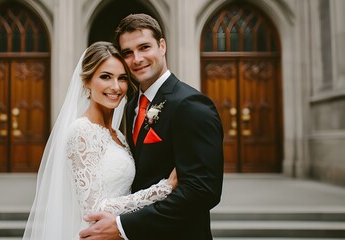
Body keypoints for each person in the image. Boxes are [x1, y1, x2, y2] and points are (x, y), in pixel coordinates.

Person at [79, 14, 224, 240]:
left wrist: (124, 226)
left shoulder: (191, 105)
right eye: (127, 52)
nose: (137, 59)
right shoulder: (131, 107)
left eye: (144, 47)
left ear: (162, 46)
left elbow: (203, 191)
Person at [22, 41, 178, 240]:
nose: (115, 87)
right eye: (105, 77)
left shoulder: (119, 136)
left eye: (122, 78)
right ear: (86, 81)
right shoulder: (81, 131)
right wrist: (165, 187)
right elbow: (95, 209)